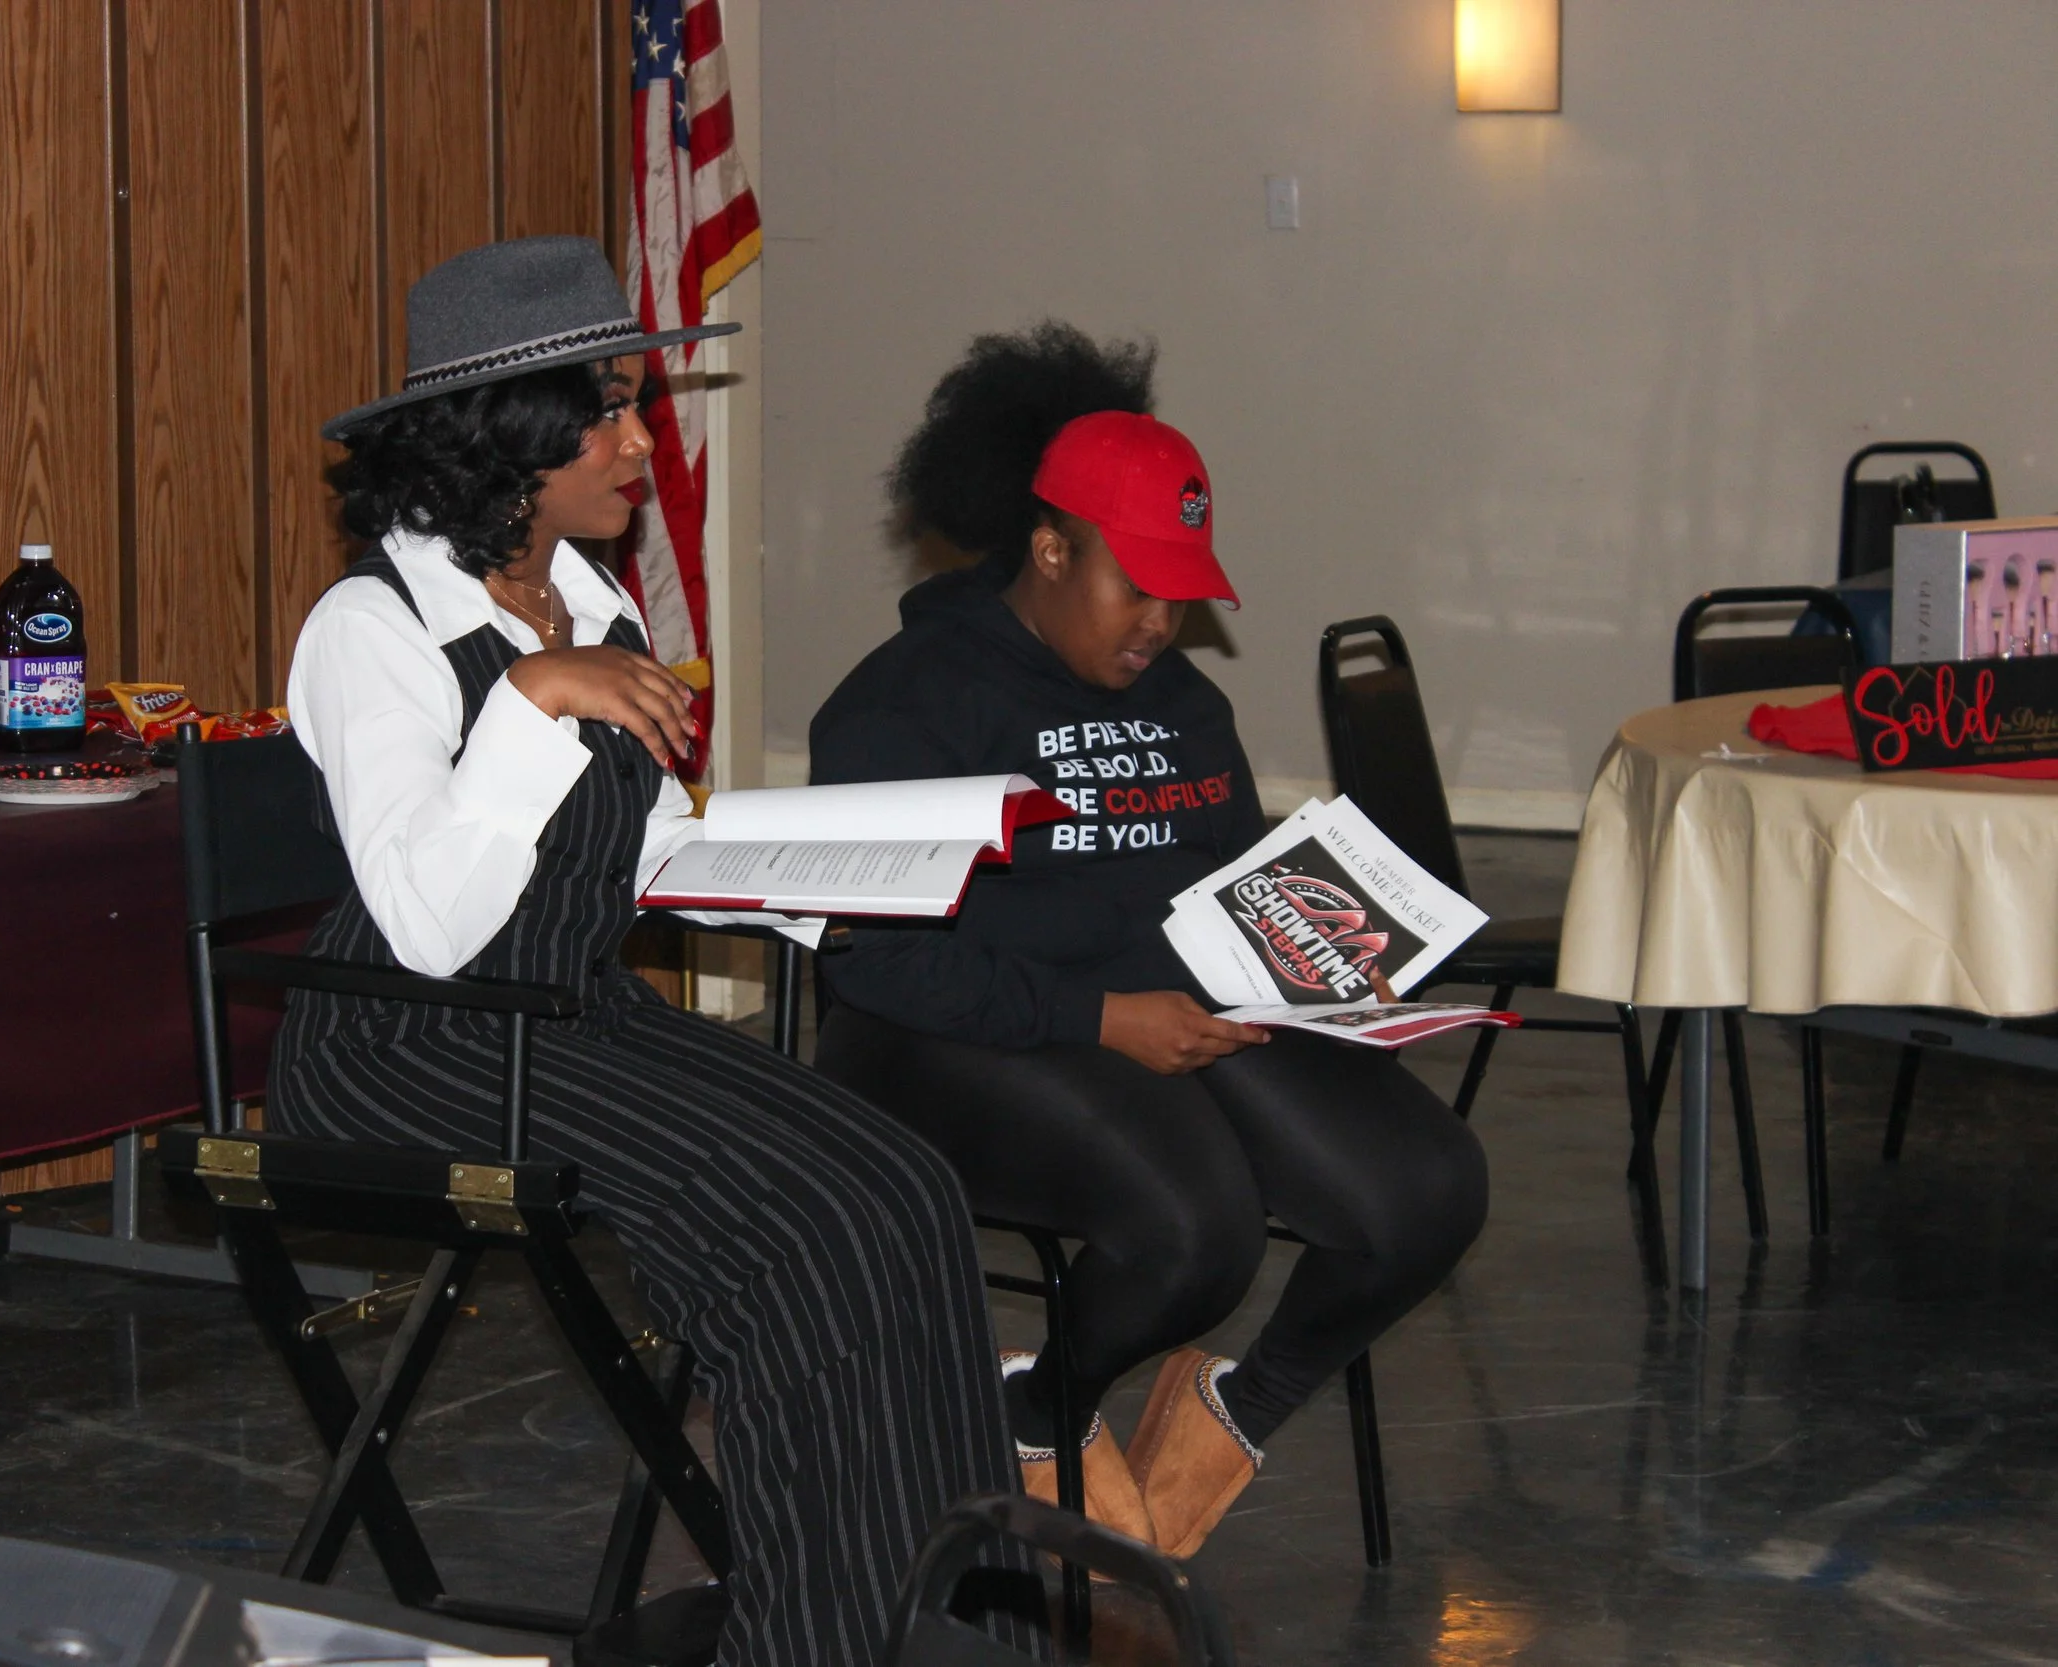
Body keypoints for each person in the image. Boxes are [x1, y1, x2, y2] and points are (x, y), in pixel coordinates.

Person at [269, 236, 1019, 1667]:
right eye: (605, 412)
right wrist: (534, 702)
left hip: (562, 1013)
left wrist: (815, 880)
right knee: (794, 1233)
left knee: (905, 1186)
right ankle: (809, 1638)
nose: (638, 440)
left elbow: (635, 849)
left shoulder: (592, 598)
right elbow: (427, 922)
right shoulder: (370, 629)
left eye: (635, 404)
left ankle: (942, 1619)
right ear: (510, 440)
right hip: (404, 1045)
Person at [810, 323, 1489, 1562]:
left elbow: (1221, 881)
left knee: (1424, 1187)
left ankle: (1231, 1413)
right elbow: (874, 959)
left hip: (1165, 1009)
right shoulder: (906, 699)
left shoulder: (1184, 704)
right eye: (1138, 584)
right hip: (941, 1034)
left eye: (1184, 590)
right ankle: (1033, 1408)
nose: (1161, 621)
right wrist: (1104, 1018)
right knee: (1196, 1227)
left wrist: (1323, 968)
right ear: (1052, 547)